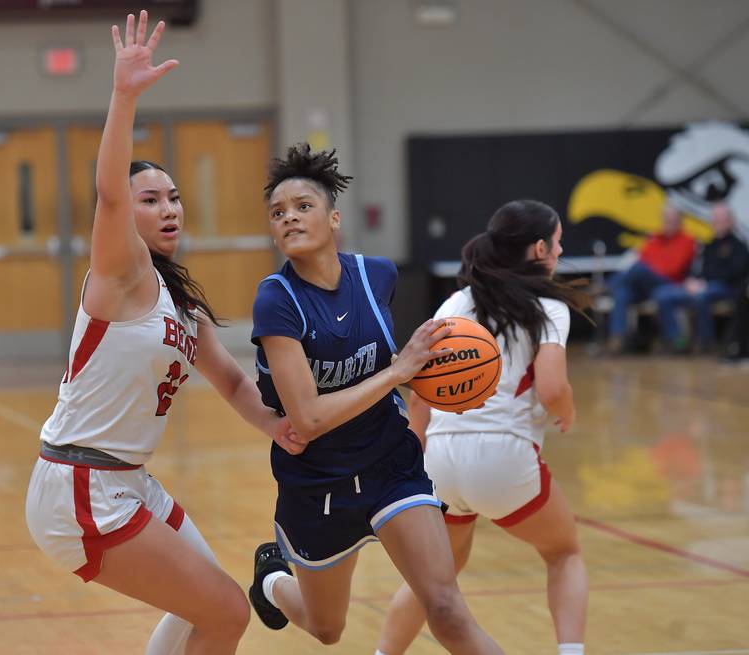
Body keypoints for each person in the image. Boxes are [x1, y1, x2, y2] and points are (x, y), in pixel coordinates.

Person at [24, 12, 305, 655]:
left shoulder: (181, 302)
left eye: (173, 197)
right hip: (81, 485)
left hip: (130, 481)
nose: (168, 207)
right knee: (227, 611)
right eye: (150, 199)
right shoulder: (121, 273)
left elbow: (232, 380)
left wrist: (276, 425)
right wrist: (124, 96)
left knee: (202, 613)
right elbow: (108, 194)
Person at [247, 143, 504, 655]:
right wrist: (397, 373)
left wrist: (445, 385)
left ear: (334, 217)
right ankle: (273, 579)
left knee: (447, 607)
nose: (289, 218)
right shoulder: (276, 299)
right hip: (318, 480)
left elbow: (409, 365)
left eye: (303, 206)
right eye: (278, 213)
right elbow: (310, 417)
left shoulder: (376, 275)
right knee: (327, 629)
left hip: (389, 463)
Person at [375, 200, 591, 655]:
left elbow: (421, 390)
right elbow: (552, 388)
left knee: (433, 580)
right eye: (557, 241)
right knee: (564, 553)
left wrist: (411, 464)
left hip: (441, 456)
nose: (560, 248)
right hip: (505, 458)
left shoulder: (457, 301)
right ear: (539, 249)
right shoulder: (549, 306)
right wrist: (567, 411)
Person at [652, 203, 749, 353]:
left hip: (725, 288)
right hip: (702, 286)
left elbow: (736, 272)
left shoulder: (739, 246)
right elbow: (697, 268)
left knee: (703, 297)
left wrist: (705, 281)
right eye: (715, 219)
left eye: (722, 219)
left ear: (731, 221)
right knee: (663, 295)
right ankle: (677, 341)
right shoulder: (708, 245)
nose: (718, 223)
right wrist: (692, 280)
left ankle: (705, 343)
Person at [607, 204, 696, 354]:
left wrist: (652, 269)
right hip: (647, 285)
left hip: (670, 283)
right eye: (666, 220)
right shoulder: (654, 238)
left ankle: (608, 286)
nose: (669, 224)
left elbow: (675, 269)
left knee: (639, 269)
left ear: (680, 222)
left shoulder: (687, 241)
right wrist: (650, 268)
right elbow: (643, 257)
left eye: (672, 221)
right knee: (623, 293)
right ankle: (618, 339)